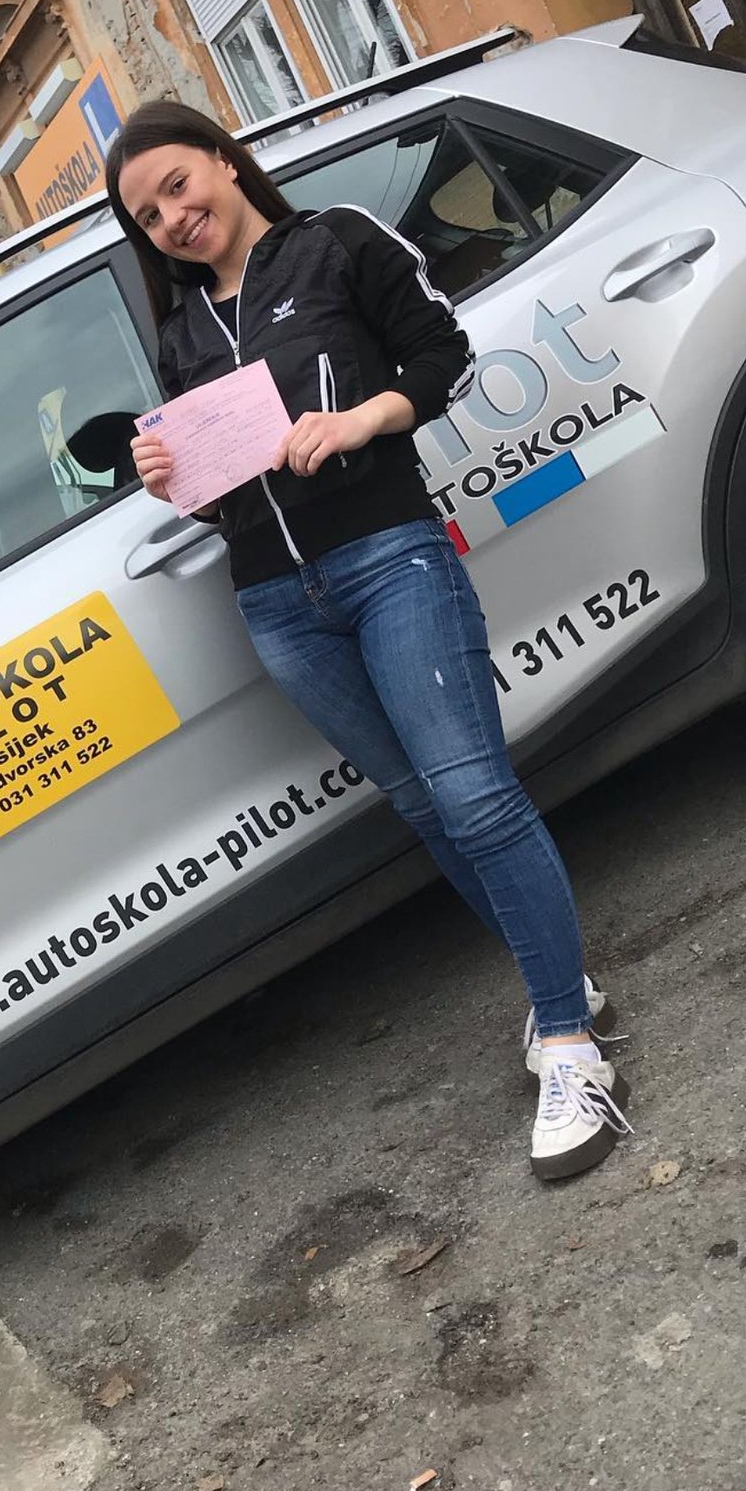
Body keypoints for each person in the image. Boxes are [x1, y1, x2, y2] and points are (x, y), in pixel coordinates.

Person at [105, 101, 630, 1181]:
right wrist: (172, 481)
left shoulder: (335, 243)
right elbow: (225, 496)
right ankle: (563, 987)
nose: (170, 218)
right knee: (424, 807)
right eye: (146, 217)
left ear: (222, 161)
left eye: (175, 185)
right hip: (277, 604)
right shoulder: (182, 335)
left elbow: (444, 353)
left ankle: (571, 1047)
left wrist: (360, 420)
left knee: (475, 796)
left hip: (390, 558)